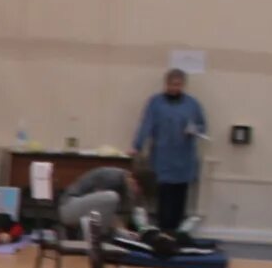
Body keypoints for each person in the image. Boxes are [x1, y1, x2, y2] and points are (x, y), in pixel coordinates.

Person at [131, 70, 207, 231]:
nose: (174, 88)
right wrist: (137, 146)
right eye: (172, 84)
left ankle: (176, 234)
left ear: (183, 85)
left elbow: (202, 126)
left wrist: (193, 130)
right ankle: (163, 232)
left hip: (184, 157)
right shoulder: (156, 103)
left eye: (178, 85)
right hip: (162, 157)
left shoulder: (192, 104)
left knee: (180, 197)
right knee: (164, 197)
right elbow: (146, 125)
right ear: (166, 84)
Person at [58, 166, 143, 236]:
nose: (135, 193)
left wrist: (126, 233)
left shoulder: (123, 184)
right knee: (111, 197)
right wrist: (122, 232)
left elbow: (109, 213)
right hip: (68, 206)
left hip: (82, 209)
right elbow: (100, 210)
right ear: (133, 180)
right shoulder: (112, 177)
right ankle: (98, 242)